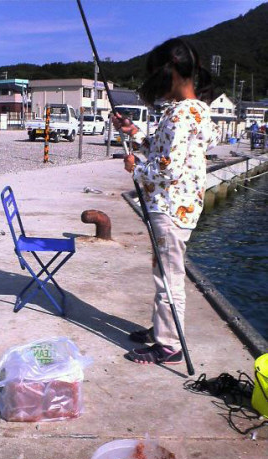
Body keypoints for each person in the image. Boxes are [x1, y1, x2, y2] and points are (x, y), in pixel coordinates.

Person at [112, 38, 220, 365]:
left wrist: (136, 168)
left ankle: (169, 345)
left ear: (169, 72)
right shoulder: (197, 110)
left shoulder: (178, 115)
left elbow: (167, 169)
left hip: (170, 209)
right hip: (181, 207)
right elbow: (165, 153)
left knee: (168, 278)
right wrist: (133, 132)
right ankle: (163, 327)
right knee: (165, 271)